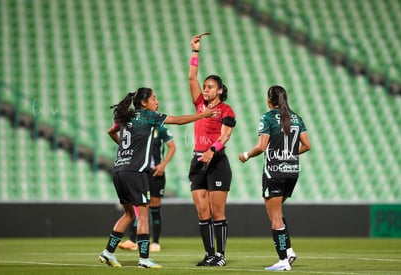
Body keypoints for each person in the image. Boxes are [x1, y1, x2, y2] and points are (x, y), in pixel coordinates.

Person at [99, 87, 217, 268]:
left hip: (119, 170)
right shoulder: (148, 116)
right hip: (136, 172)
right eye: (154, 98)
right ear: (144, 103)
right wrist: (203, 115)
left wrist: (126, 149)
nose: (157, 101)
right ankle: (144, 259)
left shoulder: (125, 117)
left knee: (129, 214)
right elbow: (178, 120)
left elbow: (111, 131)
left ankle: (108, 253)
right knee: (143, 216)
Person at [238, 85, 311, 271]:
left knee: (275, 216)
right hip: (292, 171)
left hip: (274, 171)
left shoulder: (268, 117)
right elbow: (307, 145)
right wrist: (289, 155)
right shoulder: (296, 117)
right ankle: (289, 251)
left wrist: (246, 155)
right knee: (275, 212)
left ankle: (283, 260)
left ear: (269, 99)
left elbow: (261, 147)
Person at [188, 34, 236, 266]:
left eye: (210, 87)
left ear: (219, 91)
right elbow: (191, 77)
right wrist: (195, 52)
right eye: (204, 86)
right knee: (201, 212)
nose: (205, 89)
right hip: (197, 161)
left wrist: (212, 150)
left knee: (218, 212)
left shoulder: (226, 109)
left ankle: (221, 256)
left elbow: (226, 135)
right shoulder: (199, 105)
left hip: (217, 163)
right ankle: (209, 254)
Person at [117, 124, 176, 252]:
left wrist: (163, 165)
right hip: (140, 172)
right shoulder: (138, 128)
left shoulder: (160, 129)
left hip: (155, 173)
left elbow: (172, 147)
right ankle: (132, 240)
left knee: (154, 207)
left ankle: (155, 242)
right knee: (137, 206)